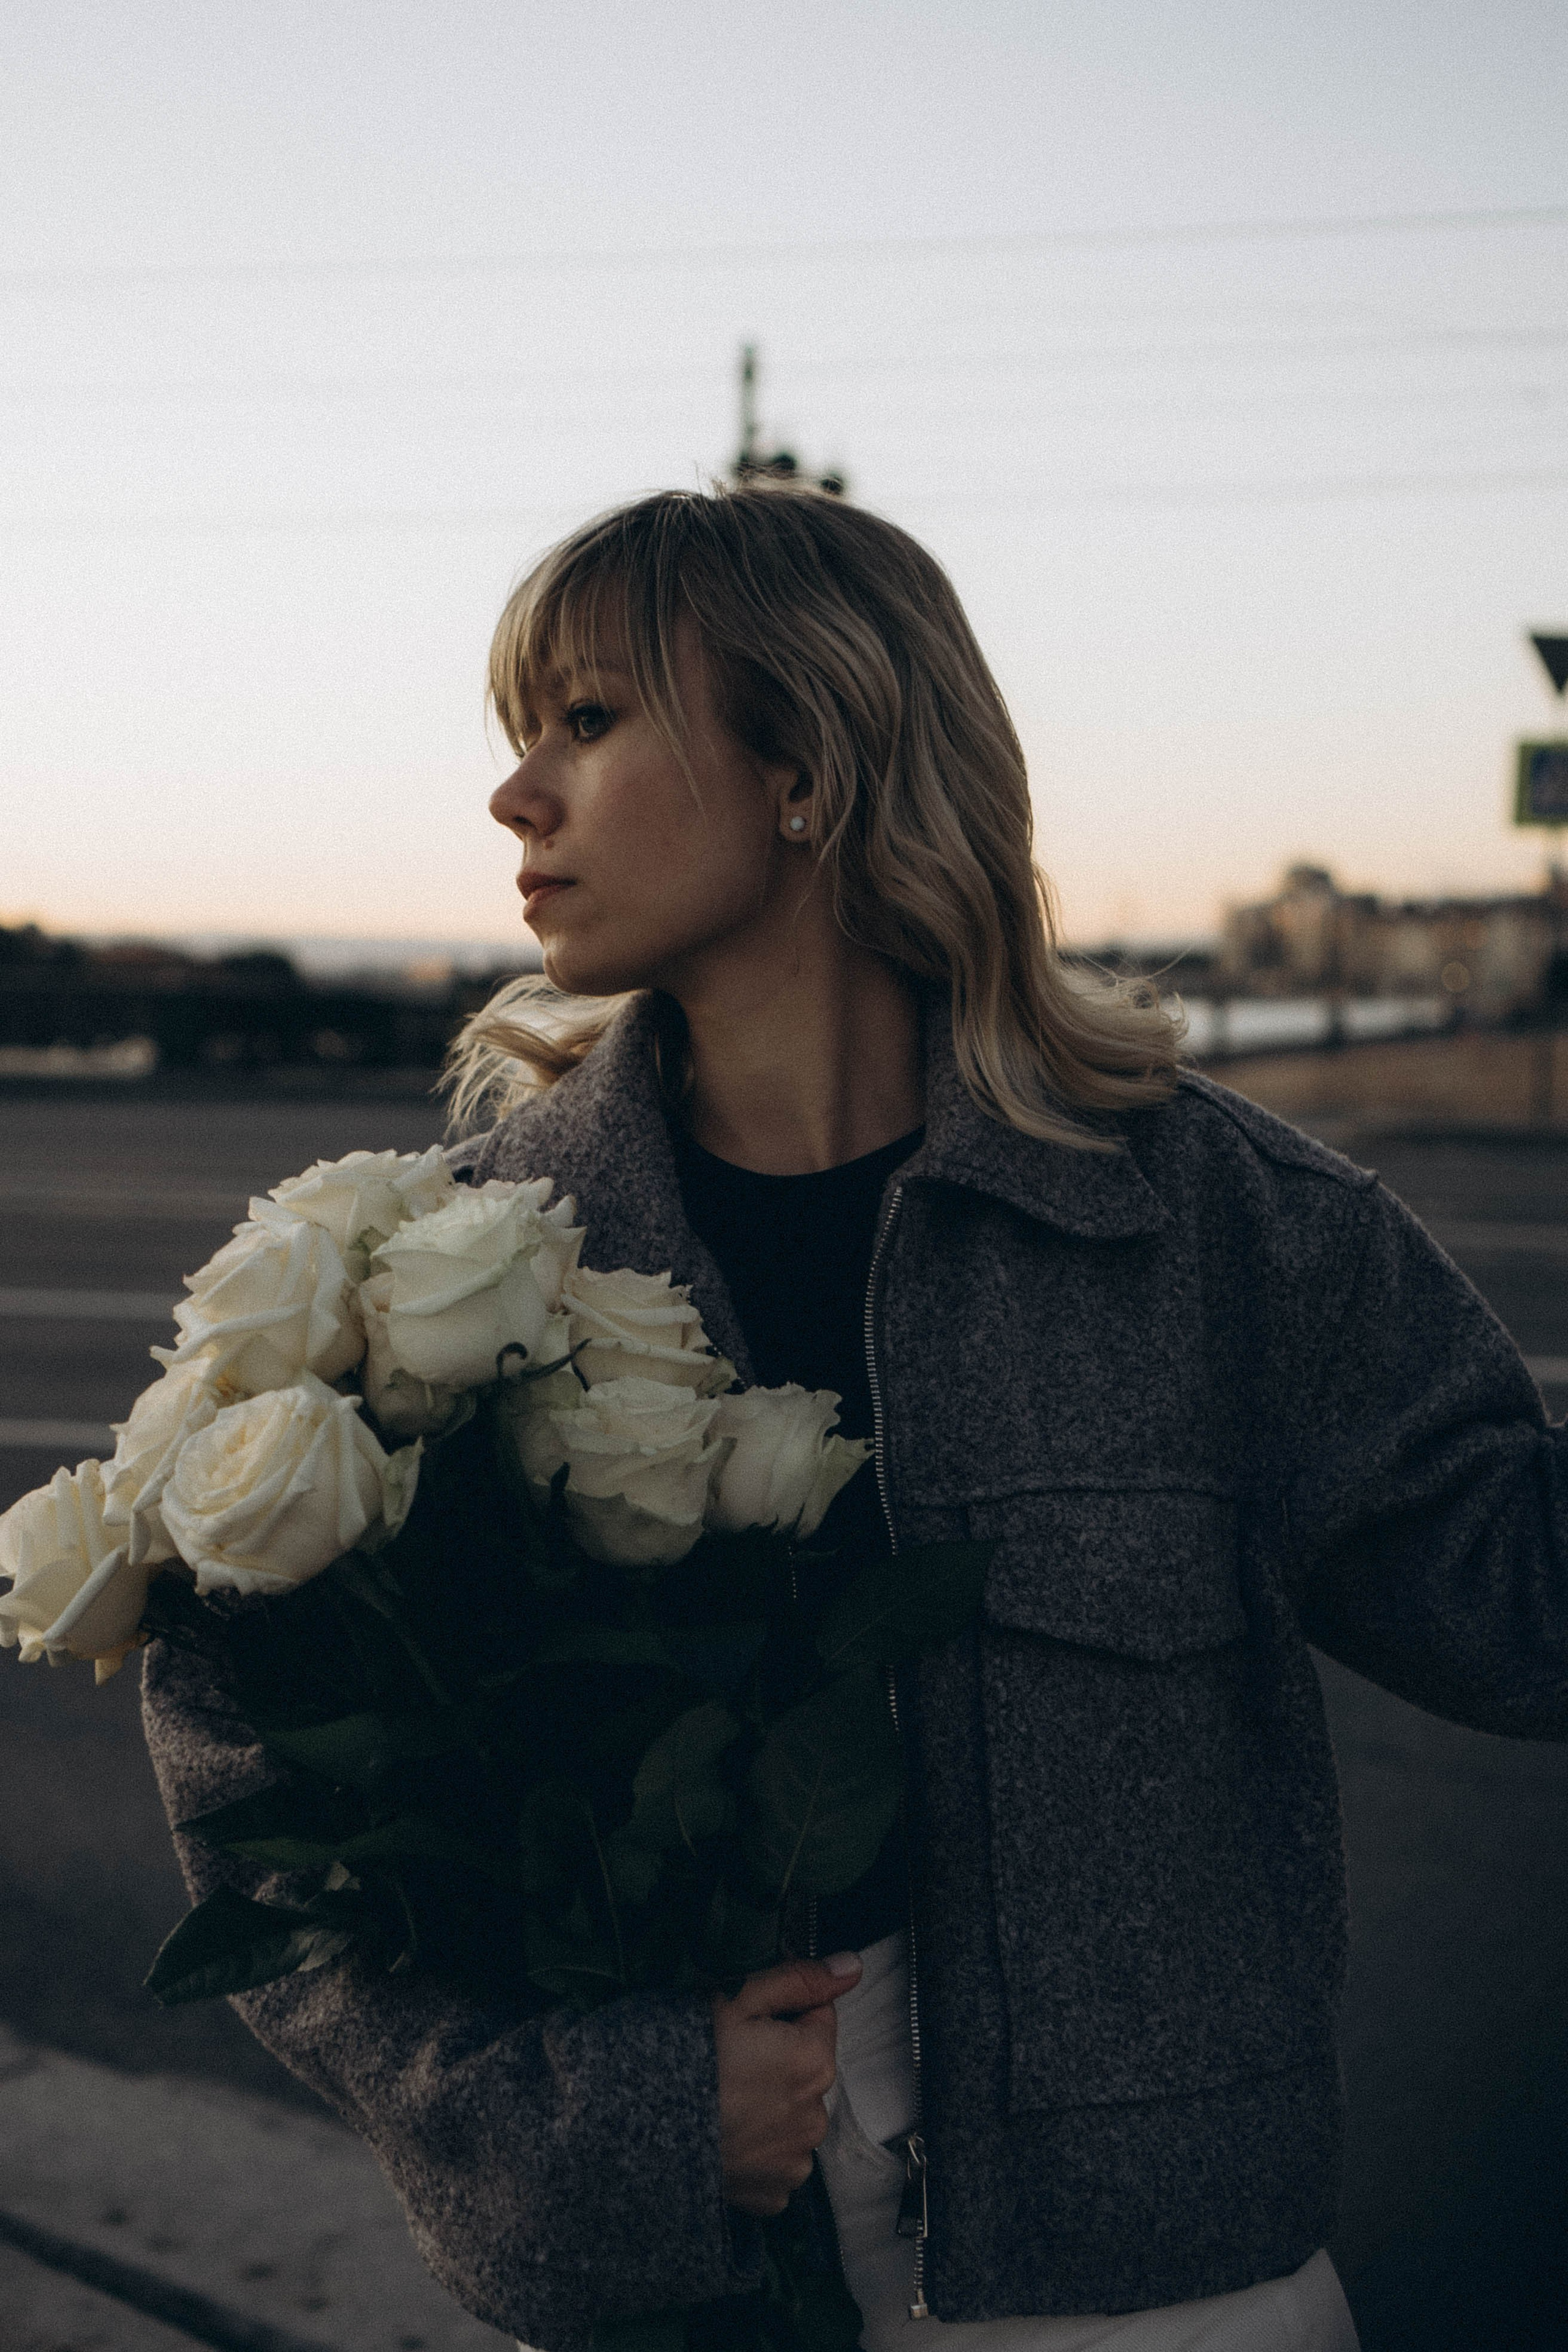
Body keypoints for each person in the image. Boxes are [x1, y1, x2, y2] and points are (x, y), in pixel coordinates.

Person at [144, 484, 1568, 2352]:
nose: (516, 795)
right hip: (675, 2291)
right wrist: (607, 2127)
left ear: (807, 764)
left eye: (586, 720)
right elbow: (263, 1820)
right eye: (521, 736)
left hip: (1165, 2294)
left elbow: (1525, 1611)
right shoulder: (449, 1271)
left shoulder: (1216, 1229)